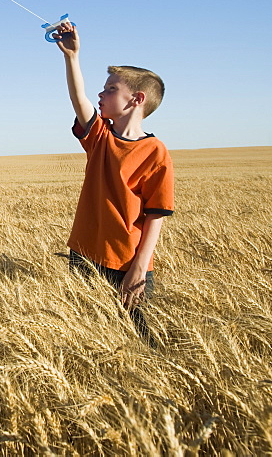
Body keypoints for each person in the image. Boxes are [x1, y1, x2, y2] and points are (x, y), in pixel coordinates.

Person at [51, 21, 174, 344]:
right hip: (84, 253)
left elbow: (156, 216)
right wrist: (71, 57)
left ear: (136, 99)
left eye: (110, 90)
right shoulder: (100, 137)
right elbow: (79, 101)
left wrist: (139, 268)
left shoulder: (155, 152)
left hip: (127, 262)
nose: (100, 94)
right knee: (93, 336)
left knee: (143, 340)